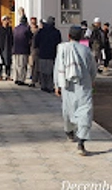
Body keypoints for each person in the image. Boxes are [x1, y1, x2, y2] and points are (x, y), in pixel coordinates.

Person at [54, 25, 98, 156]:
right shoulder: (86, 50)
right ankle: (81, 142)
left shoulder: (62, 49)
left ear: (68, 36)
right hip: (84, 86)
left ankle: (69, 132)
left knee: (68, 110)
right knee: (85, 112)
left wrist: (57, 85)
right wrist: (92, 80)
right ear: (81, 37)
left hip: (68, 86)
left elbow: (57, 68)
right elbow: (93, 69)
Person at [34, 16, 62, 92]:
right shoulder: (56, 32)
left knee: (42, 71)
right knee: (50, 71)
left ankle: (43, 85)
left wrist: (37, 47)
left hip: (42, 53)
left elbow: (36, 41)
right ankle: (50, 86)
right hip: (51, 54)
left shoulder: (41, 31)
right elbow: (59, 43)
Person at [12, 15, 32, 86]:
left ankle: (16, 78)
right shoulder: (26, 29)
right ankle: (21, 79)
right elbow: (30, 38)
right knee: (22, 66)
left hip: (15, 49)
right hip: (23, 49)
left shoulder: (15, 28)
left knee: (16, 65)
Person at [0, 15, 14, 81]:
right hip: (1, 47)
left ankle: (8, 75)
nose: (7, 21)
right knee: (0, 62)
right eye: (5, 20)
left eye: (7, 19)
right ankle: (0, 75)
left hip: (8, 47)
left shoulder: (10, 29)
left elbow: (12, 38)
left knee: (8, 62)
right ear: (2, 21)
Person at [28, 17, 41, 88]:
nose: (33, 24)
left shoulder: (38, 30)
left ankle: (35, 79)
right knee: (31, 65)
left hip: (36, 49)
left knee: (36, 65)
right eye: (32, 22)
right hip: (30, 49)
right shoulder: (28, 29)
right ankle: (32, 77)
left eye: (34, 22)